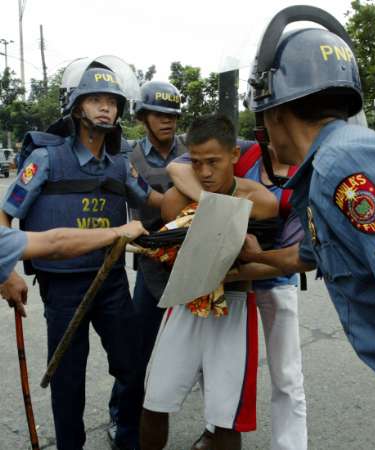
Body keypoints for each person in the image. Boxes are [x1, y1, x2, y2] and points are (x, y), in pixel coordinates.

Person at [238, 5, 375, 448]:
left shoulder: (341, 167)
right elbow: (307, 255)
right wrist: (248, 260)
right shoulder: (325, 172)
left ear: (274, 113)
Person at [0, 58, 160, 450]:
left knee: (134, 367)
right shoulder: (45, 160)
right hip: (63, 287)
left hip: (112, 283)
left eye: (113, 101)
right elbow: (5, 213)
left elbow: (156, 204)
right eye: (96, 100)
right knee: (68, 380)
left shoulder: (123, 166)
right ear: (77, 107)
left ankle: (127, 439)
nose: (106, 107)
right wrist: (6, 273)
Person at [139, 113, 278, 450]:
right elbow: (170, 226)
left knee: (226, 416)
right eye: (197, 163)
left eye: (213, 162)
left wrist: (203, 203)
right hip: (186, 300)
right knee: (155, 400)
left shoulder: (260, 200)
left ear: (233, 155)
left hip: (233, 306)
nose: (204, 172)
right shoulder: (178, 197)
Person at [167, 139, 307, 450]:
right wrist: (213, 204)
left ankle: (290, 445)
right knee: (214, 362)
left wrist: (240, 266)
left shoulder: (307, 171)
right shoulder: (246, 150)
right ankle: (214, 429)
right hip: (226, 281)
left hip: (274, 279)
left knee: (286, 374)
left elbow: (296, 257)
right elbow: (177, 167)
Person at [108, 80, 187, 450]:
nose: (167, 121)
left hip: (188, 262)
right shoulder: (129, 159)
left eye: (172, 114)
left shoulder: (191, 152)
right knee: (135, 356)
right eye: (159, 113)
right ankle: (123, 426)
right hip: (150, 264)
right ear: (143, 117)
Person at [0, 221, 148, 309]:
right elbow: (55, 243)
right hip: (62, 286)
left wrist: (7, 271)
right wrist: (118, 232)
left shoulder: (120, 168)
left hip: (111, 284)